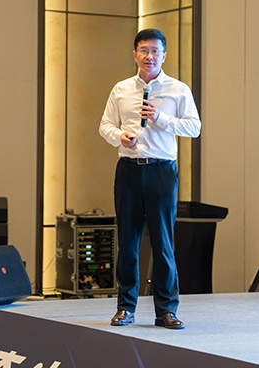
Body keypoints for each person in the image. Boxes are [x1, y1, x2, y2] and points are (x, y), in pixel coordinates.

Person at [99, 28, 201, 330]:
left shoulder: (178, 89)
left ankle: (166, 310)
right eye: (144, 50)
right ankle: (125, 309)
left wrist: (161, 119)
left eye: (155, 51)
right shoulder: (121, 89)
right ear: (135, 54)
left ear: (164, 55)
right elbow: (105, 125)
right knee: (128, 243)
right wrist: (119, 136)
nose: (149, 56)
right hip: (129, 170)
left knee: (163, 243)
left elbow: (194, 127)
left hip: (162, 172)